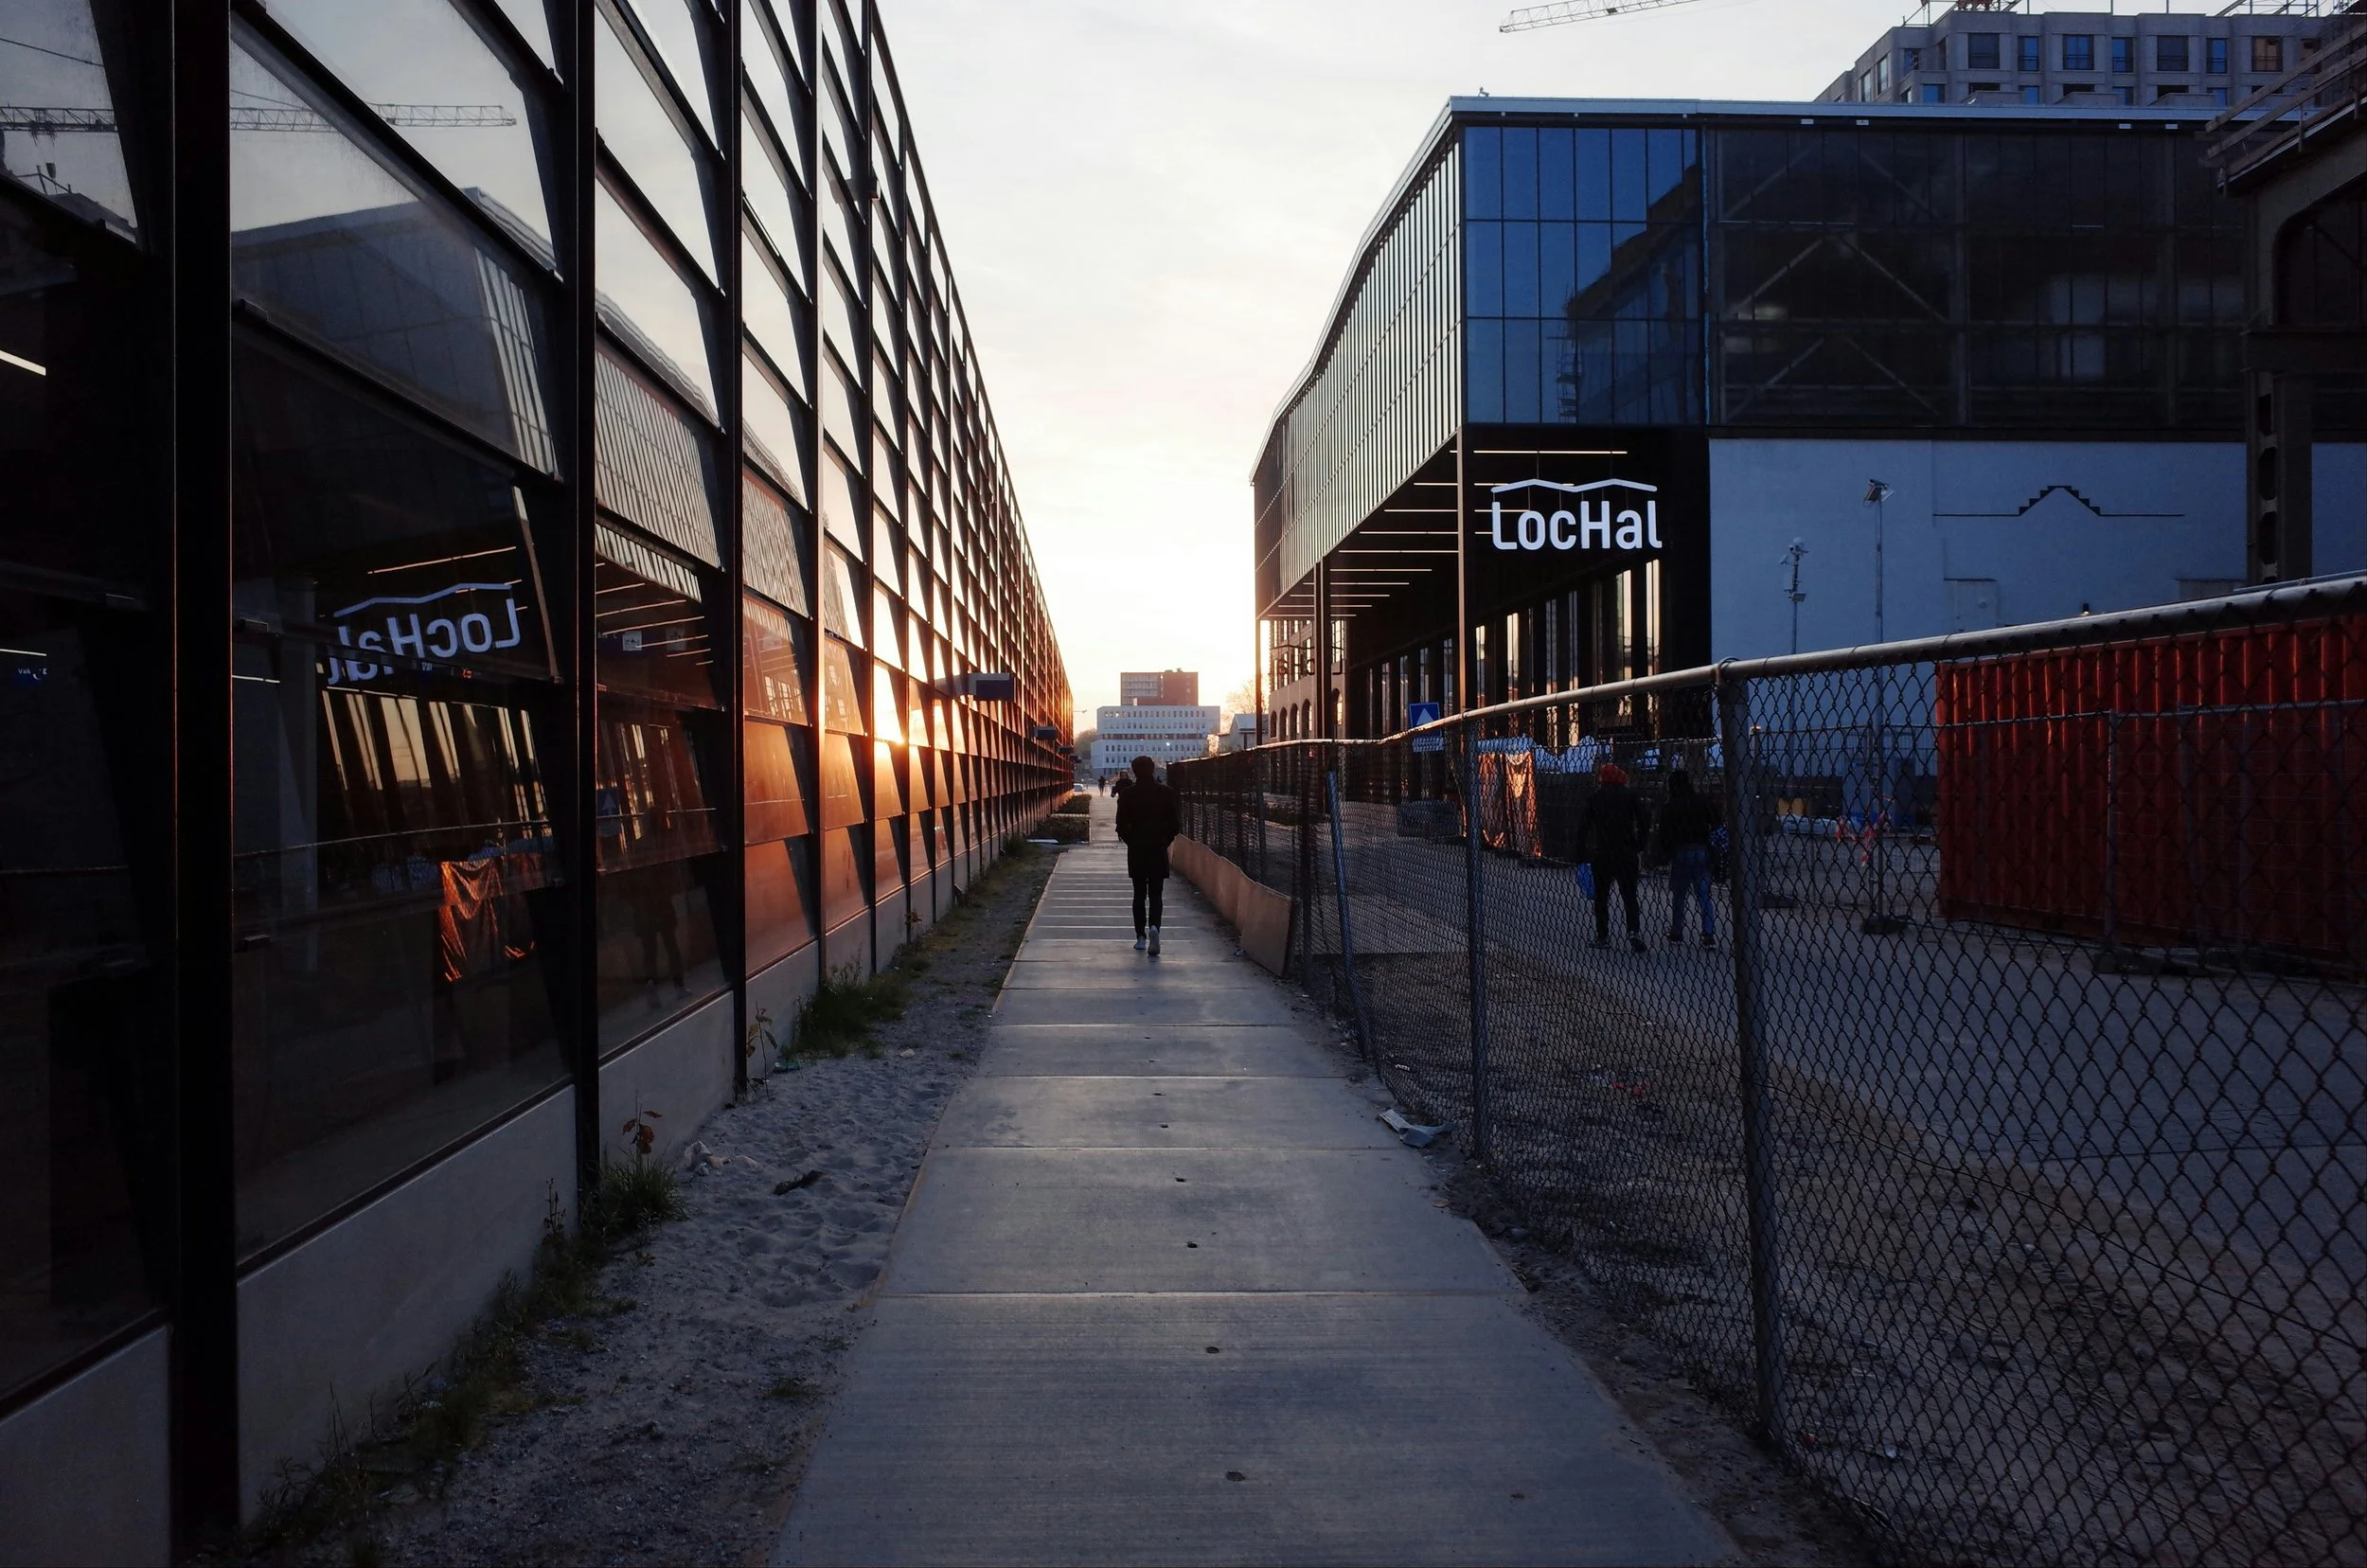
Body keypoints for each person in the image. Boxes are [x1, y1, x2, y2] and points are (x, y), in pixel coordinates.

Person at [1113, 754, 1180, 954]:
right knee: (1156, 893)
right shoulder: (1166, 793)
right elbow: (1175, 825)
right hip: (1158, 849)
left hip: (1138, 850)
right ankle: (1155, 929)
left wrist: (1132, 842)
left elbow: (1121, 825)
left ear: (1134, 771)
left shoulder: (1127, 795)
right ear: (1153, 769)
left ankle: (1140, 937)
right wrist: (1164, 841)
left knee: (1139, 894)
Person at [1581, 760, 1649, 953]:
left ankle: (1603, 935)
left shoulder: (1596, 797)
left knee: (1601, 896)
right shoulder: (1629, 796)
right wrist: (1640, 843)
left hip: (1603, 851)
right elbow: (1644, 819)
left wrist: (1581, 852)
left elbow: (1584, 826)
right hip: (1626, 850)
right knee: (1629, 895)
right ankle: (1633, 931)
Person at [1656, 768, 1721, 949]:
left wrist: (1666, 853)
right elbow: (1717, 821)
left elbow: (1664, 834)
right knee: (1704, 894)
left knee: (1679, 895)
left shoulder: (1670, 806)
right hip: (1701, 849)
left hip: (1681, 852)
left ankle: (1677, 931)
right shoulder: (1701, 801)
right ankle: (1708, 934)